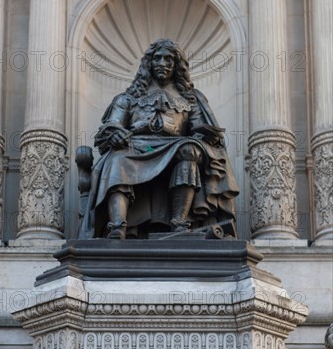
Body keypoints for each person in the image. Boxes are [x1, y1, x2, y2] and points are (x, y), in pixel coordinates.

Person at [79, 38, 239, 240]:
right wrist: (116, 133)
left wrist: (204, 135)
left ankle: (179, 222)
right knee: (117, 159)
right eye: (158, 58)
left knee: (190, 149)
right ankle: (117, 226)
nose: (163, 63)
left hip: (175, 147)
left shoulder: (191, 98)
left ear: (176, 65)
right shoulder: (128, 98)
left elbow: (201, 129)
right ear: (149, 63)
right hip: (137, 148)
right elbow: (111, 126)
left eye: (168, 59)